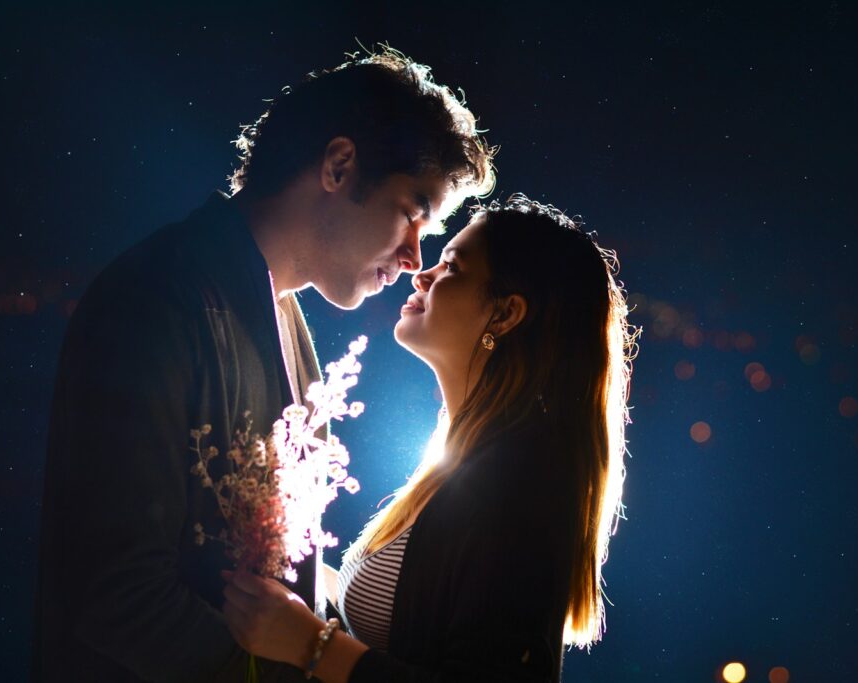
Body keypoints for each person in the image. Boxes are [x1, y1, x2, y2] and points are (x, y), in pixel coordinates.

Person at [32, 47, 494, 682]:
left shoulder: (281, 317)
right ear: (338, 165)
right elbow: (112, 591)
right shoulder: (156, 299)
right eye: (413, 212)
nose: (416, 256)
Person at [220, 194, 637, 682]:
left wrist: (312, 644)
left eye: (452, 267)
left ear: (504, 315)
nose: (421, 274)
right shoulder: (462, 460)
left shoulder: (518, 488)